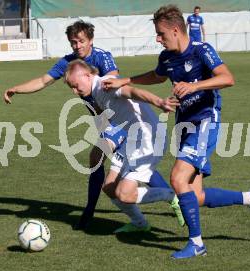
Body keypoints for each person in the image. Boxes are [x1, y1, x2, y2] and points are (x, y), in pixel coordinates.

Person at [103, 5, 250, 259]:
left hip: (205, 120)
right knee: (194, 195)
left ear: (176, 30)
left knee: (178, 178)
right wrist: (126, 80)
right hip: (184, 124)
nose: (158, 38)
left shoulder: (202, 51)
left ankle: (197, 244)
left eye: (161, 33)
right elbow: (158, 76)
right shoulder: (167, 58)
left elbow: (227, 78)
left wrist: (195, 86)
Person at [3, 20, 182, 231]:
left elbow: (115, 83)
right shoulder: (69, 63)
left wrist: (154, 101)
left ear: (90, 40)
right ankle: (144, 213)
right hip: (105, 119)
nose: (77, 46)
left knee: (101, 158)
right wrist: (17, 89)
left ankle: (92, 209)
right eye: (73, 42)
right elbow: (43, 81)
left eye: (81, 41)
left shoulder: (101, 57)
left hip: (120, 120)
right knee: (111, 166)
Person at [64, 59, 181, 233]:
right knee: (109, 187)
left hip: (149, 139)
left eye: (75, 85)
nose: (75, 91)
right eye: (71, 88)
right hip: (131, 139)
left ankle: (171, 196)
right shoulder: (94, 92)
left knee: (124, 193)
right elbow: (101, 111)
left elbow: (133, 91)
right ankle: (140, 223)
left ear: (87, 75)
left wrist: (159, 102)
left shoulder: (105, 85)